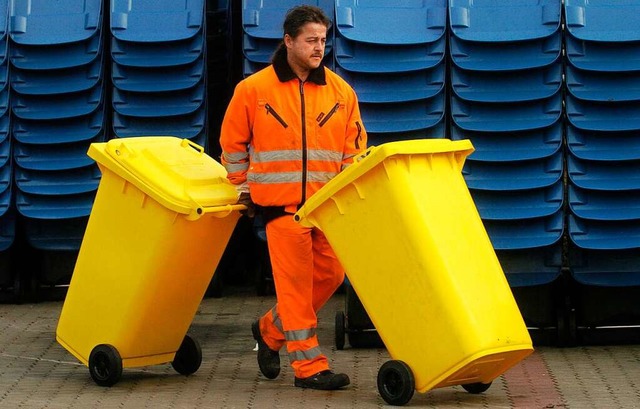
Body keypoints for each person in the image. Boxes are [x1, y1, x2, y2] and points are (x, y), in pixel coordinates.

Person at [219, 5, 367, 391]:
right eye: (311, 40)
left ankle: (269, 331)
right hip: (279, 208)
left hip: (326, 208)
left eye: (323, 40)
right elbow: (232, 145)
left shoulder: (340, 91)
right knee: (296, 289)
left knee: (332, 274)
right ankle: (309, 368)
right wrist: (242, 187)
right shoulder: (253, 90)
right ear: (289, 41)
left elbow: (354, 150)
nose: (319, 48)